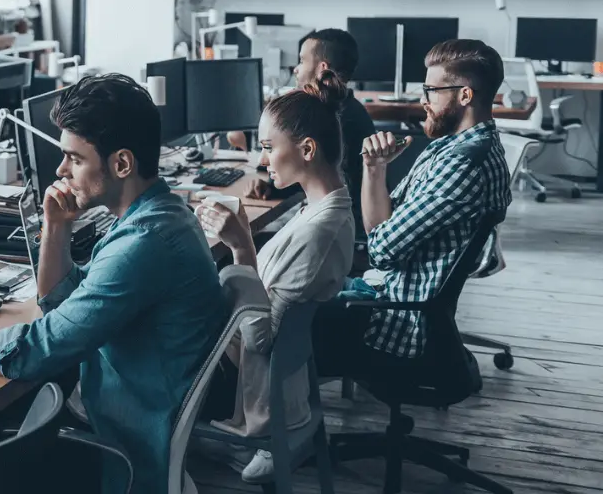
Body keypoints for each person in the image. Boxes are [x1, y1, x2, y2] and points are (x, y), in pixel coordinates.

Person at [0, 74, 226, 494]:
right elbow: (62, 303)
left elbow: (37, 351)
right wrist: (56, 227)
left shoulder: (144, 243)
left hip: (120, 454)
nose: (60, 170)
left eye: (74, 158)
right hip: (117, 424)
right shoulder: (156, 216)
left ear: (122, 164)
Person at [313, 39, 511, 375]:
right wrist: (374, 168)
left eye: (431, 90)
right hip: (386, 292)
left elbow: (380, 250)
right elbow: (380, 228)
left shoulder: (462, 165)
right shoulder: (453, 148)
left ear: (465, 95)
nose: (423, 100)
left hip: (393, 321)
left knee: (281, 314)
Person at [194, 70, 355, 483]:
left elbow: (260, 340)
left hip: (240, 381)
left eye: (268, 148)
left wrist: (241, 246)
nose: (263, 161)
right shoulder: (322, 207)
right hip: (253, 368)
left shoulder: (318, 233)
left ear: (307, 149)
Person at [231, 29, 375, 246]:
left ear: (322, 68)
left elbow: (314, 171)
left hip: (341, 230)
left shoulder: (332, 119)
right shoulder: (346, 109)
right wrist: (271, 185)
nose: (296, 69)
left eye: (301, 60)